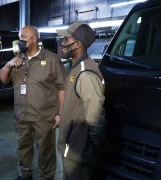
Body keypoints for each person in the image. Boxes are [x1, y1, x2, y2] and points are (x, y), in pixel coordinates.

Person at [0, 26, 67, 180]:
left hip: (44, 117)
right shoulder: (17, 60)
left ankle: (46, 177)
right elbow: (2, 79)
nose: (20, 40)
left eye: (23, 37)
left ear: (34, 39)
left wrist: (60, 114)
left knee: (46, 151)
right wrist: (8, 64)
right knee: (23, 148)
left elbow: (62, 88)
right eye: (19, 37)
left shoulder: (51, 59)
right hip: (22, 116)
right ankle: (25, 174)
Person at [56, 22, 106, 180]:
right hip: (71, 151)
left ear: (77, 44)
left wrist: (90, 148)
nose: (62, 43)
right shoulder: (76, 68)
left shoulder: (86, 75)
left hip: (79, 156)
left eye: (65, 39)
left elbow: (96, 119)